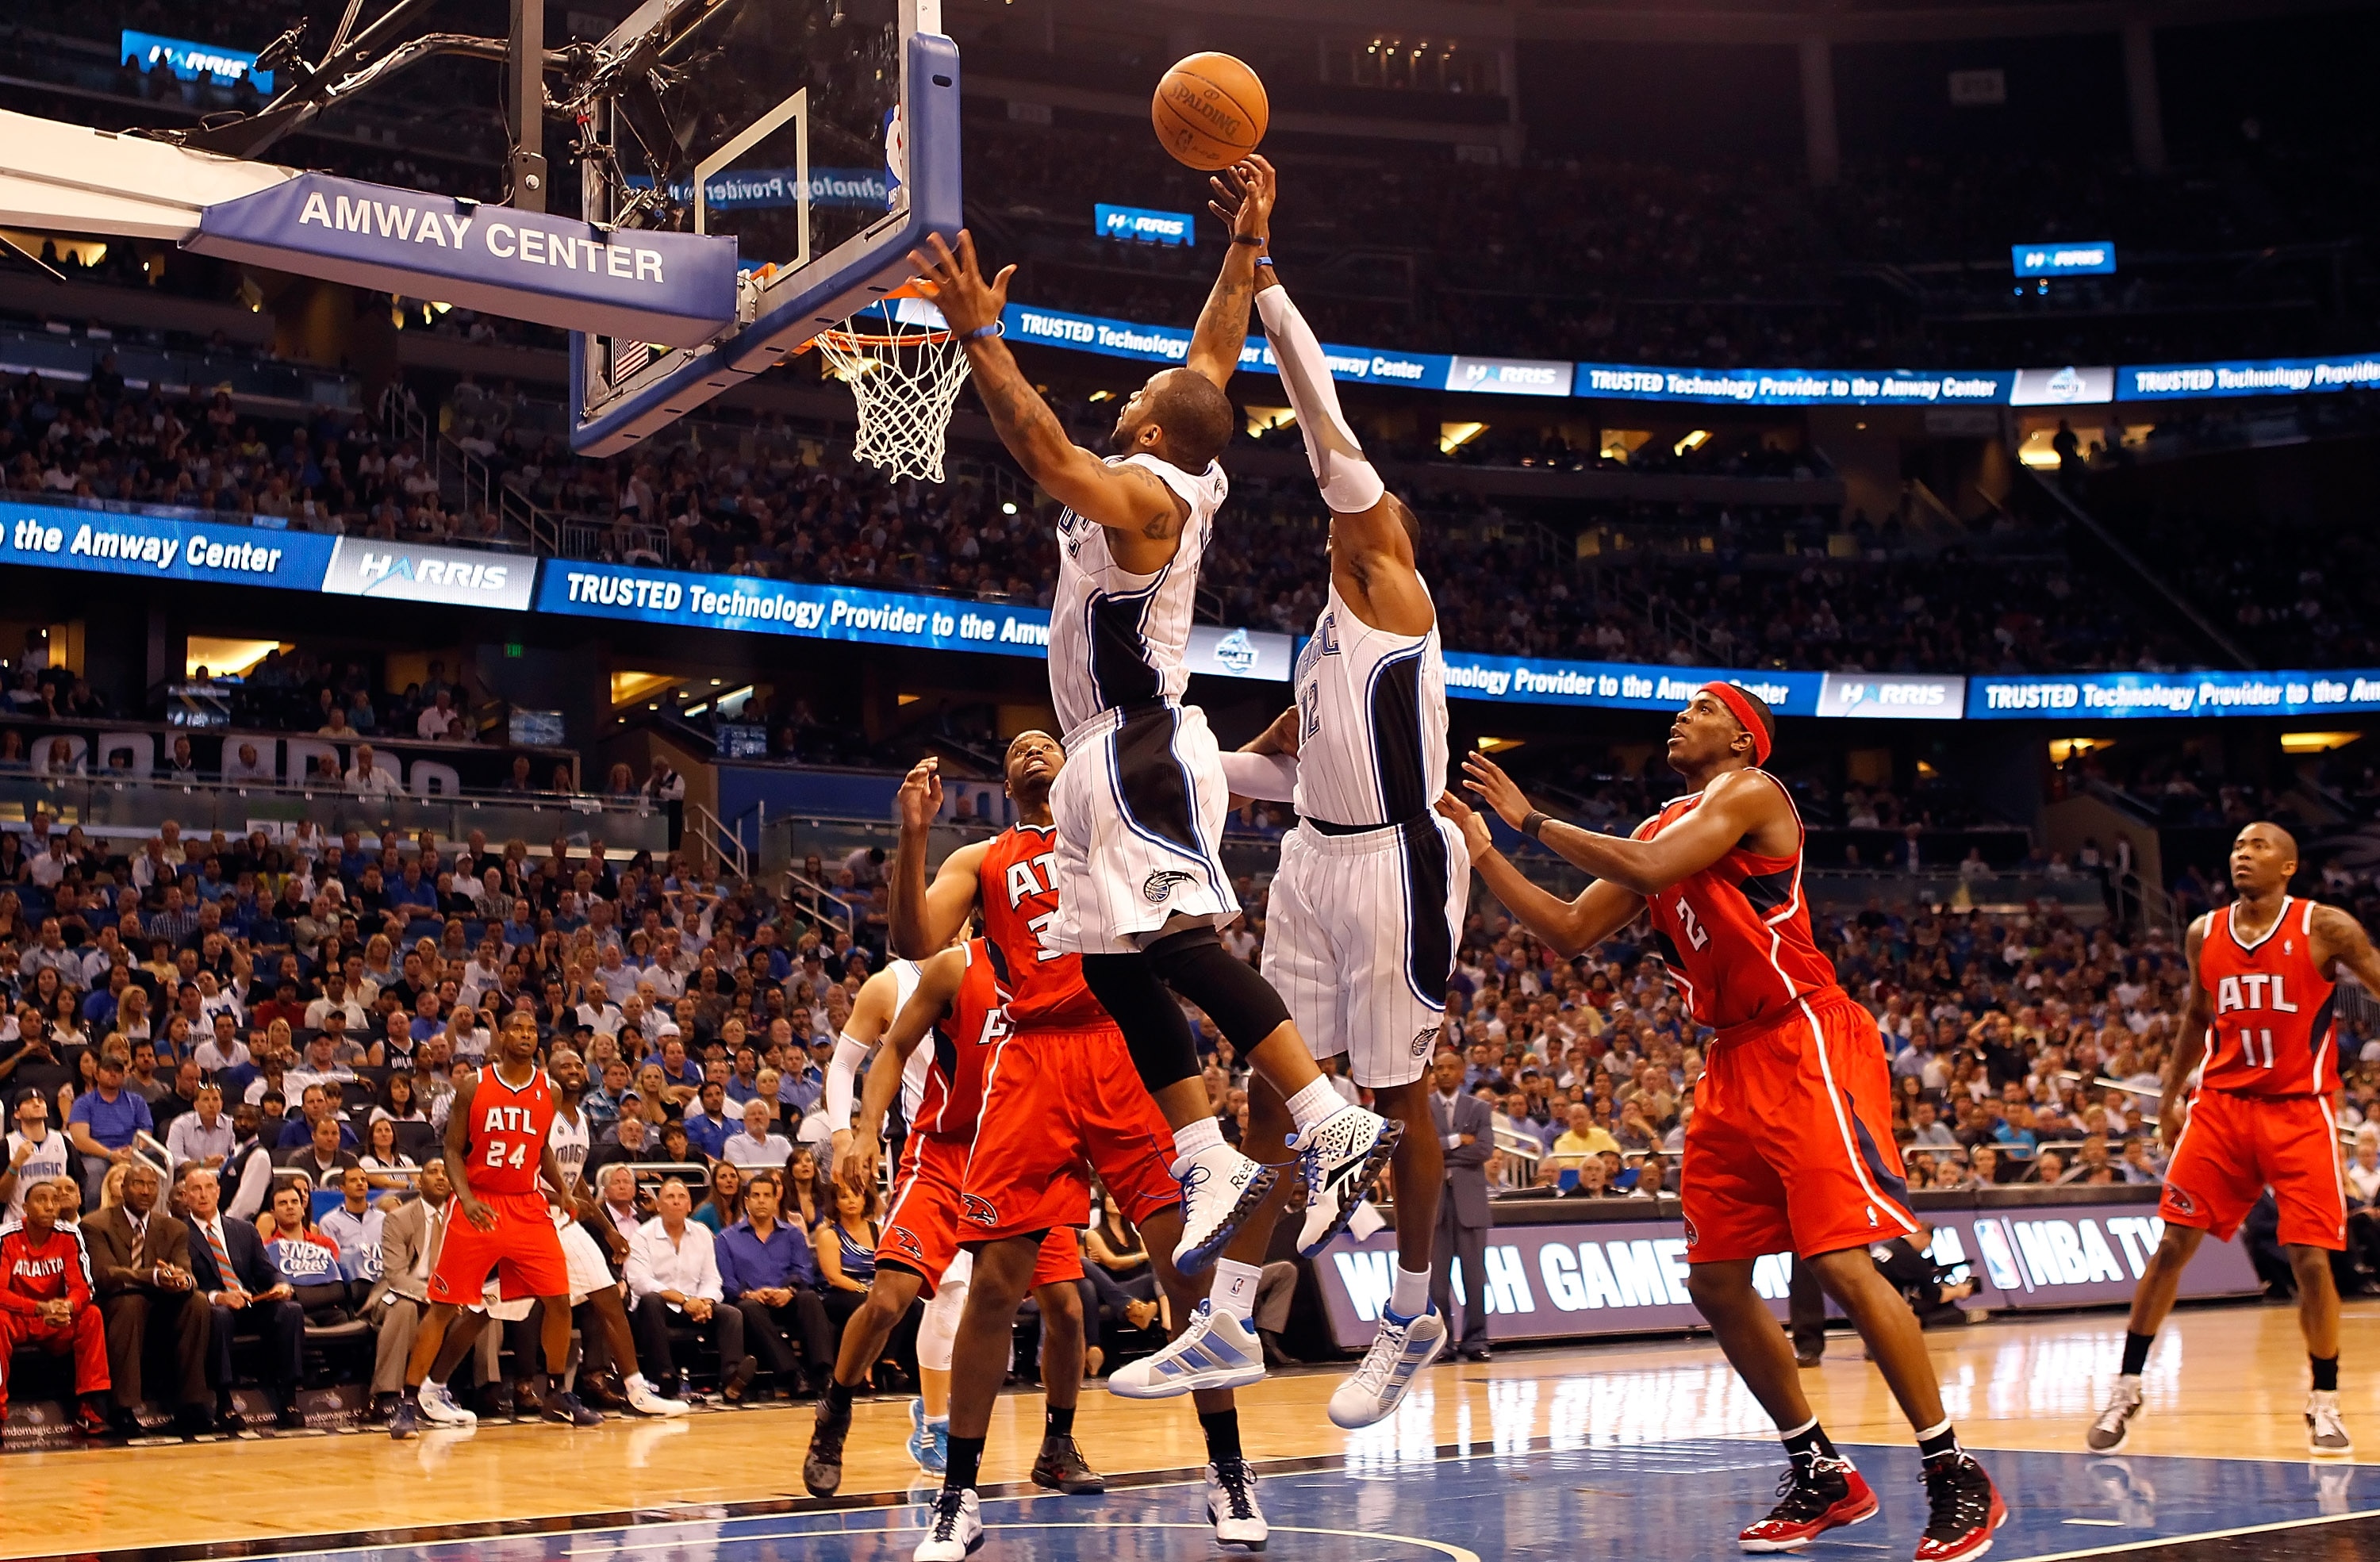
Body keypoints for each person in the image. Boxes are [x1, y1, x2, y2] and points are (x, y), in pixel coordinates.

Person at [904, 166, 1396, 1314]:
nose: (1127, 396)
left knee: (1173, 946)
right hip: (1098, 759)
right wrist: (1243, 251)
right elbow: (1211, 364)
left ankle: (1328, 1121)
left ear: (1153, 426)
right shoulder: (1186, 451)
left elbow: (1045, 455)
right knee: (1112, 957)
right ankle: (1207, 1150)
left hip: (1137, 746)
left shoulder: (1144, 491)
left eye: (1138, 393)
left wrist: (983, 340)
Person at [1441, 685, 2000, 1560]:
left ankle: (1953, 1469)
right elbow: (1567, 929)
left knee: (1842, 1262)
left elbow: (1654, 872)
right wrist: (1483, 851)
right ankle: (1819, 1468)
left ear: (1742, 737)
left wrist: (1531, 822)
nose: (1680, 718)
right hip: (1732, 1058)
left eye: (1701, 708)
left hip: (1804, 1033)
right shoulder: (1659, 826)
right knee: (1715, 1278)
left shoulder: (1749, 795)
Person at [1173, 240, 1465, 1426]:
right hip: (1313, 856)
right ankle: (1229, 1315)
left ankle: (1411, 1310)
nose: (1343, 515)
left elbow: (1320, 417)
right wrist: (1173, 759)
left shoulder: (1392, 590)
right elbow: (1271, 772)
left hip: (1398, 854)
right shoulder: (1322, 641)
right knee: (1274, 1093)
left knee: (1398, 1097)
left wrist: (1269, 276)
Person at [879, 736, 1261, 1553]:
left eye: (1044, 738)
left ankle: (1227, 1469)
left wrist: (1255, 751)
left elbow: (1189, 771)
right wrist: (914, 834)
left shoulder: (1115, 825)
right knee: (993, 1286)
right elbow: (914, 941)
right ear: (1005, 780)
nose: (1028, 749)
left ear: (1077, 758)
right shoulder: (982, 856)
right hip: (1033, 1058)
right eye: (1014, 747)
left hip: (1123, 1044)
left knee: (1185, 1271)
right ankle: (959, 1494)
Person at [2088, 822, 2380, 1459]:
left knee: (2310, 1258)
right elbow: (2198, 1015)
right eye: (2238, 846)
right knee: (2172, 1245)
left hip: (2300, 1110)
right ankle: (2127, 1385)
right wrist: (2169, 1095)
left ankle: (2323, 1398)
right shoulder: (2204, 932)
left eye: (2258, 847)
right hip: (2220, 1108)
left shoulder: (2325, 927)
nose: (2242, 855)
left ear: (2288, 866)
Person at [804, 938, 1099, 1502]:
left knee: (1066, 1306)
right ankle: (837, 1409)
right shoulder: (921, 977)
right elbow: (861, 1059)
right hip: (941, 1150)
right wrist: (853, 1132)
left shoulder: (1056, 967)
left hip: (1025, 1153)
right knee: (892, 1299)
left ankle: (1056, 1442)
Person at [389, 1015, 601, 1437]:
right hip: (480, 1204)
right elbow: (451, 1149)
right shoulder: (474, 1085)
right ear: (502, 1037)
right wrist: (464, 1198)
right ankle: (408, 1402)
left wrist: (561, 1192)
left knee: (559, 1301)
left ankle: (557, 1391)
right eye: (517, 1028)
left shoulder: (551, 1090)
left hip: (527, 1206)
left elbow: (541, 1149)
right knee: (444, 1307)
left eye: (531, 1030)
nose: (524, 1034)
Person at [83, 1159, 211, 1433]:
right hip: (117, 1306)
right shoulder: (96, 1224)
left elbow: (185, 1269)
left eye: (152, 1185)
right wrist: (154, 1276)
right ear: (124, 1188)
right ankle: (123, 1409)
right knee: (130, 1302)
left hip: (162, 1304)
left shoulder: (174, 1227)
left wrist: (181, 1280)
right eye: (138, 1184)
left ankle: (193, 1405)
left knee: (197, 1301)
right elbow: (105, 1275)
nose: (145, 1191)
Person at [179, 1165, 305, 1430]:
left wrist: (281, 1285)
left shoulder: (243, 1229)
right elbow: (185, 1284)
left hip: (251, 1304)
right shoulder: (178, 1234)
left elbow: (267, 1270)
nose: (203, 1195)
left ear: (219, 1192)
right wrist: (218, 1297)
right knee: (220, 1315)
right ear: (186, 1196)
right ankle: (224, 1402)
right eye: (196, 1189)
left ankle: (289, 1397)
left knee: (290, 1310)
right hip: (213, 1308)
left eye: (209, 1188)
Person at [0, 1180, 112, 1436]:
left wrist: (68, 1307)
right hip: (19, 1316)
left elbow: (82, 1286)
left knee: (91, 1315)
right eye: (41, 1200)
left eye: (54, 1201)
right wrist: (38, 1308)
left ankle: (91, 1408)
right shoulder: (6, 1237)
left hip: (55, 1319)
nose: (50, 1206)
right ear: (25, 1207)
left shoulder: (70, 1235)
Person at [626, 1176, 753, 1402]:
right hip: (656, 1310)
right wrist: (685, 1300)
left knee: (731, 1314)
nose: (676, 1202)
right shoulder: (642, 1235)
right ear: (659, 1205)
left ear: (689, 1205)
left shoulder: (702, 1233)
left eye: (682, 1197)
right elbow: (640, 1281)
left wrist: (706, 1303)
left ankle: (732, 1378)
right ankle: (665, 1376)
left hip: (694, 1307)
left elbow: (712, 1279)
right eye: (670, 1197)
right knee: (651, 1300)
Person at [716, 1167, 835, 1399]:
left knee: (809, 1297)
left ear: (775, 1199)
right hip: (751, 1303)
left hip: (786, 1299)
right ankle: (793, 1376)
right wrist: (750, 1294)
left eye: (767, 1195)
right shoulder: (726, 1238)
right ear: (746, 1201)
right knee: (748, 1308)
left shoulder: (792, 1234)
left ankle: (825, 1373)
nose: (762, 1201)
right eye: (756, 1196)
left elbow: (804, 1272)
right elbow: (727, 1282)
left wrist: (789, 1291)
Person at [1422, 1050, 1495, 1363]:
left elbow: (1483, 1150)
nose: (1445, 1073)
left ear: (1462, 1072)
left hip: (1471, 1204)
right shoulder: (1422, 1108)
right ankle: (1444, 1343)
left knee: (1474, 1279)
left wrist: (1443, 1152)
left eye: (1451, 1067)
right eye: (1439, 1068)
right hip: (1436, 1204)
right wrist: (1454, 1142)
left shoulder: (1479, 1108)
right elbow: (1423, 1149)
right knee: (1437, 1283)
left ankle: (1477, 1340)